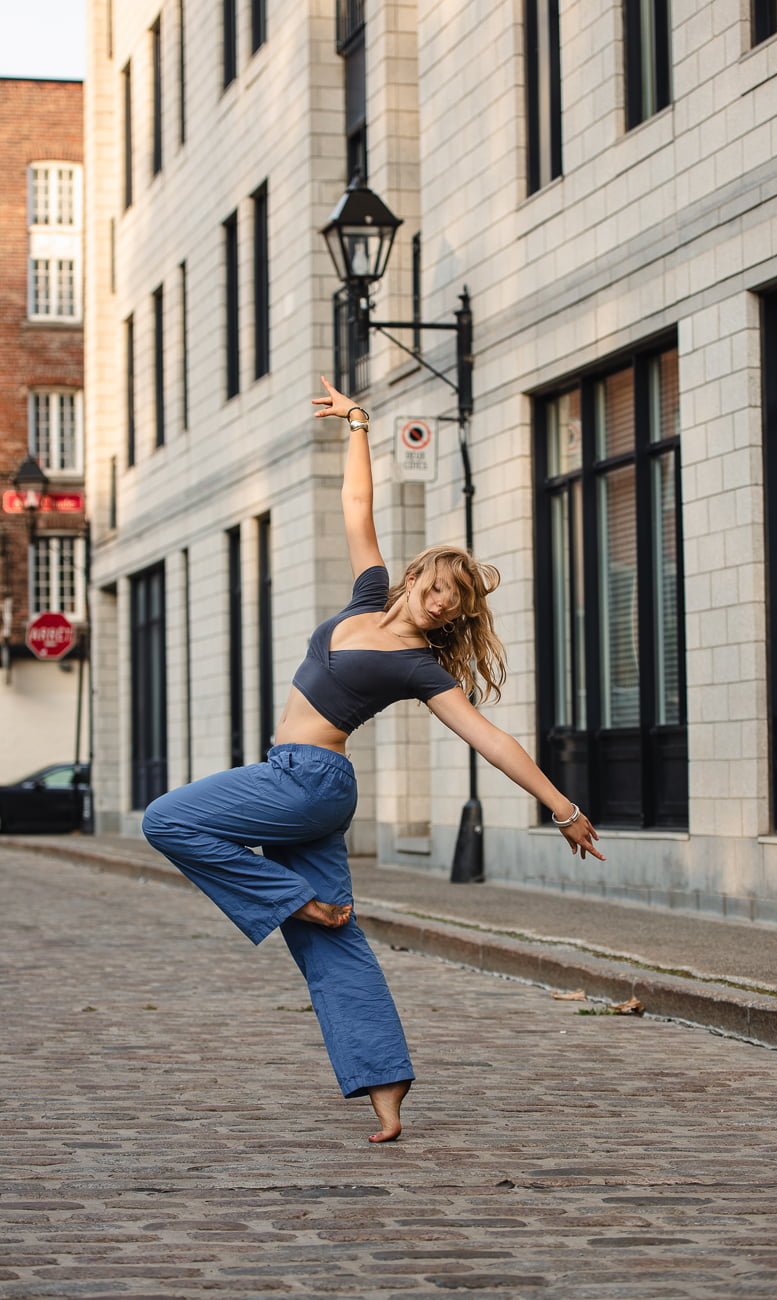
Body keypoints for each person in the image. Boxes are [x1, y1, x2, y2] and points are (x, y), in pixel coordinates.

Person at [143, 377, 604, 1144]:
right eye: (440, 588)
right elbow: (357, 509)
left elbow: (489, 738)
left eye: (458, 603)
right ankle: (385, 1090)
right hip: (298, 782)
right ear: (417, 575)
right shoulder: (365, 598)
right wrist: (359, 424)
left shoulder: (422, 666)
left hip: (307, 781)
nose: (445, 604)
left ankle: (292, 901)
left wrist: (563, 808)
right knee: (335, 943)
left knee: (168, 819)